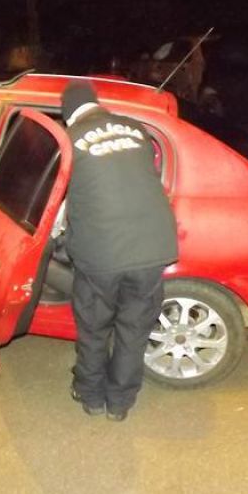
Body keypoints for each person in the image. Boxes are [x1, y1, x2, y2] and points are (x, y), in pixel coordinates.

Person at [60, 80, 178, 422]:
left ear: (68, 113)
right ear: (95, 103)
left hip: (101, 253)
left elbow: (61, 193)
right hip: (151, 247)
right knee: (134, 329)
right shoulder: (135, 129)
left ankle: (91, 396)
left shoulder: (69, 139)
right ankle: (120, 403)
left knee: (94, 329)